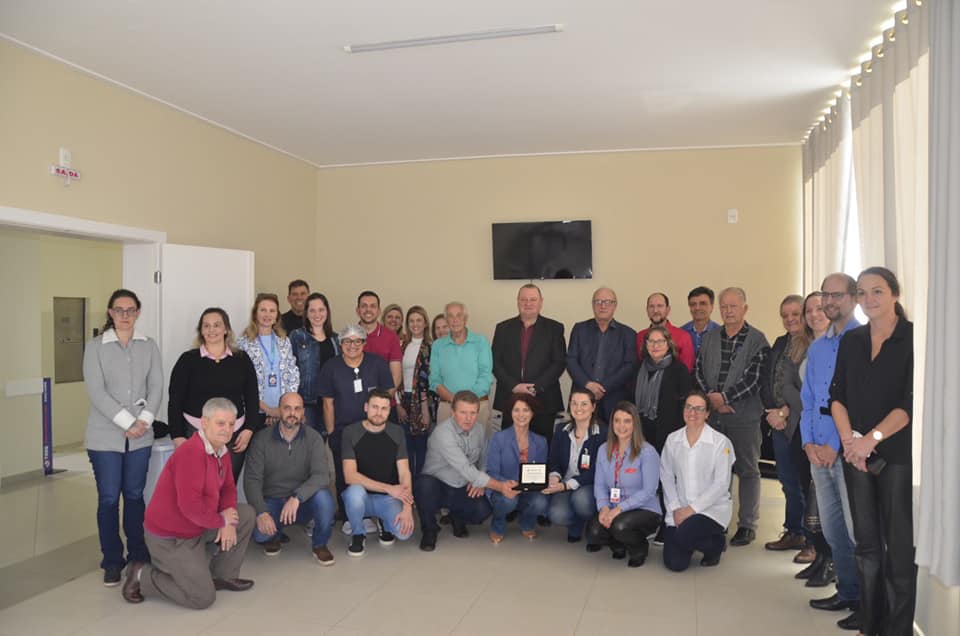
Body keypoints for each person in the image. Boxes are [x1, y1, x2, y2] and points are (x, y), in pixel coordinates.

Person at [831, 267, 915, 636]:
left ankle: (897, 629)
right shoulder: (853, 340)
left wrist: (872, 439)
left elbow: (908, 402)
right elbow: (838, 397)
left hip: (894, 456)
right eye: (862, 292)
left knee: (897, 547)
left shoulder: (912, 338)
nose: (869, 300)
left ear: (895, 294)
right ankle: (871, 623)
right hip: (855, 456)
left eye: (877, 291)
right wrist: (851, 442)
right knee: (866, 545)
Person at [122, 398, 255, 608]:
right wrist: (221, 521)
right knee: (202, 598)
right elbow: (190, 507)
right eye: (220, 423)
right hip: (171, 538)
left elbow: (228, 488)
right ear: (204, 422)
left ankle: (222, 575)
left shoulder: (221, 450)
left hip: (197, 527)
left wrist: (228, 519)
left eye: (231, 424)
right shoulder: (191, 454)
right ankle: (142, 575)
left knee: (244, 514)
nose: (227, 430)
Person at [83, 289, 163, 586]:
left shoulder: (148, 346)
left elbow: (156, 385)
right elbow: (96, 392)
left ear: (138, 312)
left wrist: (142, 422)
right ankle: (112, 561)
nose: (125, 315)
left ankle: (138, 554)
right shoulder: (95, 348)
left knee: (134, 496)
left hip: (140, 438)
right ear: (110, 312)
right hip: (104, 438)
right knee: (107, 499)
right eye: (119, 310)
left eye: (131, 310)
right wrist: (127, 422)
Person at [800, 274, 862, 629]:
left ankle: (867, 601)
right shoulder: (818, 346)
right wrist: (809, 442)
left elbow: (854, 402)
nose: (829, 301)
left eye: (836, 294)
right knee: (833, 529)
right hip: (817, 451)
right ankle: (848, 591)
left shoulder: (862, 340)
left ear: (852, 298)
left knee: (856, 531)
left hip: (846, 452)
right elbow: (810, 399)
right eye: (825, 294)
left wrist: (833, 447)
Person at [695, 287, 769, 546]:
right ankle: (719, 521)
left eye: (733, 306)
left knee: (748, 470)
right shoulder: (711, 337)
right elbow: (699, 370)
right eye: (724, 306)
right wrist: (712, 398)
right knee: (718, 472)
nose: (728, 311)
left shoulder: (758, 340)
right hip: (715, 418)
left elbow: (755, 378)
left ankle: (747, 524)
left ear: (744, 309)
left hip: (744, 417)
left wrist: (725, 398)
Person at [415, 391, 517, 552]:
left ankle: (457, 518)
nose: (468, 418)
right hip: (438, 486)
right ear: (452, 412)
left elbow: (484, 461)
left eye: (473, 413)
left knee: (483, 510)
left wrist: (480, 483)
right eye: (463, 412)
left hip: (463, 485)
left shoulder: (480, 429)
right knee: (423, 485)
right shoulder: (443, 433)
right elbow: (464, 467)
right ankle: (429, 530)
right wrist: (501, 487)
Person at [243, 392, 336, 565]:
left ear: (303, 413)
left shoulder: (314, 437)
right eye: (287, 408)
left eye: (297, 409)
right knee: (260, 535)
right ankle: (275, 534)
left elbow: (322, 475)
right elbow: (251, 480)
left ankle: (320, 544)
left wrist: (297, 497)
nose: (292, 413)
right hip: (273, 502)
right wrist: (262, 512)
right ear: (279, 411)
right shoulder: (261, 439)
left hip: (302, 502)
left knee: (325, 500)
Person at [168, 308, 261, 478]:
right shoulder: (188, 360)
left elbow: (252, 397)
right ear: (201, 331)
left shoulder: (241, 359)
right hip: (195, 432)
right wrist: (177, 435)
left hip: (233, 434)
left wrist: (249, 429)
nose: (212, 330)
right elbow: (175, 400)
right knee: (197, 486)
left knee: (226, 486)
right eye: (207, 326)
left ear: (226, 329)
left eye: (217, 325)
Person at [316, 323, 394, 520]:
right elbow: (327, 403)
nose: (352, 345)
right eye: (347, 341)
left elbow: (388, 393)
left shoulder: (377, 364)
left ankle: (375, 514)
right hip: (343, 431)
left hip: (373, 431)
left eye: (357, 341)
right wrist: (332, 433)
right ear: (340, 343)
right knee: (345, 477)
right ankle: (347, 517)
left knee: (375, 472)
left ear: (364, 343)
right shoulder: (331, 367)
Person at [660, 391, 736, 571]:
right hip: (679, 508)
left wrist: (691, 510)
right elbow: (667, 476)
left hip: (711, 509)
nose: (692, 413)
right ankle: (691, 539)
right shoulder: (673, 440)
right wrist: (677, 507)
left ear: (708, 413)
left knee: (684, 535)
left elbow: (721, 484)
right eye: (689, 407)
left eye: (699, 409)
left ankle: (715, 545)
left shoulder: (720, 443)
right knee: (675, 564)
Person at [760, 295, 813, 553]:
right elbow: (768, 378)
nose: (790, 319)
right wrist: (772, 411)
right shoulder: (780, 343)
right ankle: (794, 531)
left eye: (795, 314)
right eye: (785, 315)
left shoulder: (813, 343)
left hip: (802, 423)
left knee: (807, 483)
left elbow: (808, 389)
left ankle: (812, 539)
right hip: (778, 423)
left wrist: (785, 413)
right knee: (787, 480)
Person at [586, 402, 662, 567]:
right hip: (613, 507)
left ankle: (639, 548)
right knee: (593, 532)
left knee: (619, 525)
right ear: (612, 423)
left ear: (635, 424)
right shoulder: (603, 450)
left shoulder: (647, 452)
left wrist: (617, 510)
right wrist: (604, 508)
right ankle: (618, 544)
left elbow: (649, 491)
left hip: (644, 509)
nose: (621, 426)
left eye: (627, 421)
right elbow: (599, 485)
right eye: (617, 420)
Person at [341, 390, 416, 557]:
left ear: (390, 411)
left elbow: (404, 473)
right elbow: (350, 475)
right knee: (354, 493)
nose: (379, 413)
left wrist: (407, 506)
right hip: (362, 497)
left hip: (387, 499)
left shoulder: (396, 432)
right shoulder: (350, 432)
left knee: (404, 533)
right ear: (366, 407)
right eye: (375, 407)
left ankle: (384, 522)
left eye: (384, 408)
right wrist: (389, 488)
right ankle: (358, 533)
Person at [492, 283, 566, 442]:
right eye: (524, 299)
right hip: (510, 399)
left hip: (544, 399)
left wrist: (535, 387)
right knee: (510, 446)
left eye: (533, 299)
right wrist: (514, 386)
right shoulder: (503, 328)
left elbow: (559, 362)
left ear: (541, 302)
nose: (528, 303)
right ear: (517, 301)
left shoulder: (555, 328)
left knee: (541, 447)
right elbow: (495, 363)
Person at [543, 388, 607, 542]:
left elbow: (599, 471)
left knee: (581, 501)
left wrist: (566, 486)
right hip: (564, 483)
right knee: (556, 514)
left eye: (584, 404)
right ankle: (577, 522)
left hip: (590, 484)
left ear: (593, 407)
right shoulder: (561, 430)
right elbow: (554, 461)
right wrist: (554, 477)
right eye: (574, 403)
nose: (579, 408)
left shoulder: (603, 433)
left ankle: (595, 524)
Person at [485, 393, 549, 543]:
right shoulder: (498, 439)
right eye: (516, 410)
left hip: (528, 490)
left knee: (541, 502)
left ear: (532, 413)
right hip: (502, 487)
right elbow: (492, 472)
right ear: (511, 413)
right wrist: (507, 485)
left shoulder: (541, 442)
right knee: (508, 501)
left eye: (526, 410)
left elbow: (541, 473)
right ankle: (498, 525)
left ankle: (527, 523)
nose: (521, 415)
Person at [567, 287, 638, 422]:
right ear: (593, 305)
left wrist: (603, 388)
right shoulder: (579, 329)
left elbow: (629, 366)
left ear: (615, 305)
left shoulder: (628, 334)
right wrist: (588, 385)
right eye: (598, 301)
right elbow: (571, 360)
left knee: (613, 441)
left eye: (608, 302)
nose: (603, 306)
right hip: (582, 399)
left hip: (614, 400)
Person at [236, 293, 299, 427]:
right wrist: (268, 410)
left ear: (277, 316)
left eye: (272, 311)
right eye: (263, 310)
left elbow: (293, 374)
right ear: (255, 314)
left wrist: (283, 407)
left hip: (283, 411)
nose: (267, 314)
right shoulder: (243, 344)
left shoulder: (284, 342)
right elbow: (241, 382)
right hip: (255, 410)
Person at [429, 302, 494, 429]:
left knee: (477, 448)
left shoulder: (480, 342)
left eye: (459, 315)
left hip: (477, 407)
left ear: (465, 318)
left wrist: (465, 404)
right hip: (447, 408)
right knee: (446, 448)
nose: (455, 320)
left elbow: (485, 376)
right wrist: (455, 401)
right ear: (446, 319)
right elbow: (434, 380)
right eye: (450, 316)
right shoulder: (438, 345)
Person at [634, 325, 692, 454]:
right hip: (641, 432)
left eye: (660, 341)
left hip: (669, 433)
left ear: (668, 344)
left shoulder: (679, 370)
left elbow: (685, 404)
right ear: (646, 344)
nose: (656, 345)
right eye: (651, 341)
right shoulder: (637, 368)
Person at [289, 292, 339, 434]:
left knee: (322, 445)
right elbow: (289, 370)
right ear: (306, 313)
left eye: (321, 310)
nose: (317, 314)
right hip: (306, 402)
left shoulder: (336, 339)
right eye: (312, 310)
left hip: (329, 402)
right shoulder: (297, 336)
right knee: (305, 445)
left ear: (327, 312)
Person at [397, 305, 433, 476]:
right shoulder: (402, 346)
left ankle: (420, 490)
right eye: (411, 321)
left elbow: (427, 381)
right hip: (403, 400)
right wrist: (397, 403)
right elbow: (395, 377)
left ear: (425, 323)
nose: (415, 324)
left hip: (421, 401)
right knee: (405, 448)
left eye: (419, 320)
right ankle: (408, 489)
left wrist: (425, 409)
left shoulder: (430, 347)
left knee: (421, 448)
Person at [636, 292, 695, 372]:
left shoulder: (683, 337)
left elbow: (686, 370)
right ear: (647, 310)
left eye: (660, 306)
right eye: (651, 306)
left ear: (668, 309)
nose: (655, 310)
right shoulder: (640, 336)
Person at [357, 291, 403, 390]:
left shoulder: (392, 337)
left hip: (384, 402)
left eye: (373, 306)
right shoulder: (349, 337)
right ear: (358, 310)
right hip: (355, 403)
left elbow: (396, 377)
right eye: (364, 306)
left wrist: (382, 402)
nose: (368, 309)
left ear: (378, 311)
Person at [682, 286, 721, 358]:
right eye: (693, 304)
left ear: (711, 306)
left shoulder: (720, 334)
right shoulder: (681, 333)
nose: (697, 308)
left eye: (702, 303)